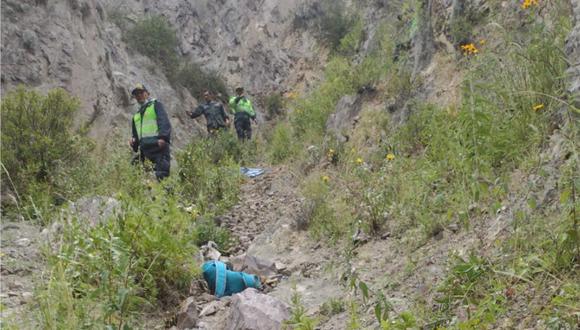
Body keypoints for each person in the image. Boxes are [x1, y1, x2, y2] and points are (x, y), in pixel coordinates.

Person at [129, 83, 172, 180]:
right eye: (136, 94)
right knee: (135, 171)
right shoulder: (136, 116)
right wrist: (133, 142)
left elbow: (164, 122)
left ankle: (168, 194)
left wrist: (163, 138)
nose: (139, 95)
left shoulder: (156, 105)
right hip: (145, 151)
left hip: (158, 148)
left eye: (141, 92)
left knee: (162, 177)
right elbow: (136, 136)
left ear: (147, 94)